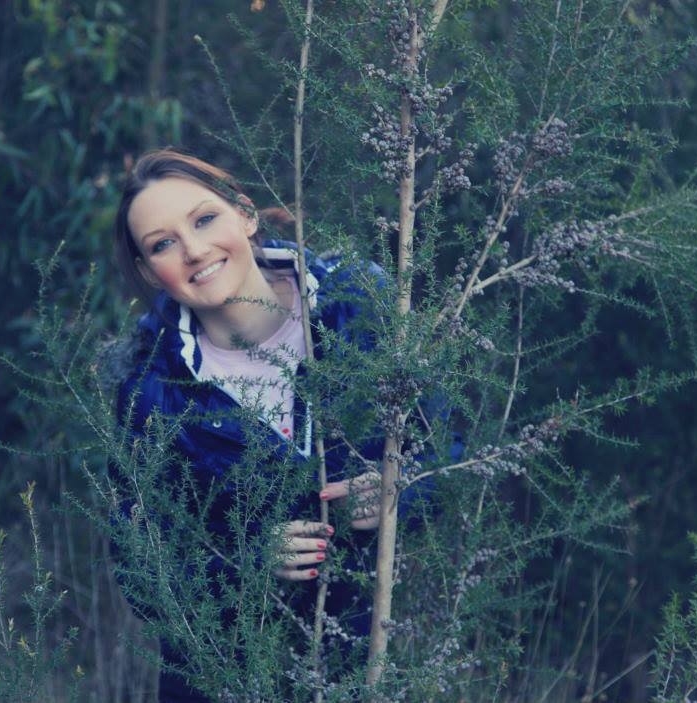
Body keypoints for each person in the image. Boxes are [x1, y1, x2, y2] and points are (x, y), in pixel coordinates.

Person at [112, 149, 456, 701]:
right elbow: (139, 567)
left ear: (246, 214)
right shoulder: (151, 391)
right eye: (162, 244)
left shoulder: (358, 304)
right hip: (224, 679)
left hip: (366, 666)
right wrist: (249, 563)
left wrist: (402, 493)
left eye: (204, 219)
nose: (194, 250)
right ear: (150, 271)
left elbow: (452, 451)